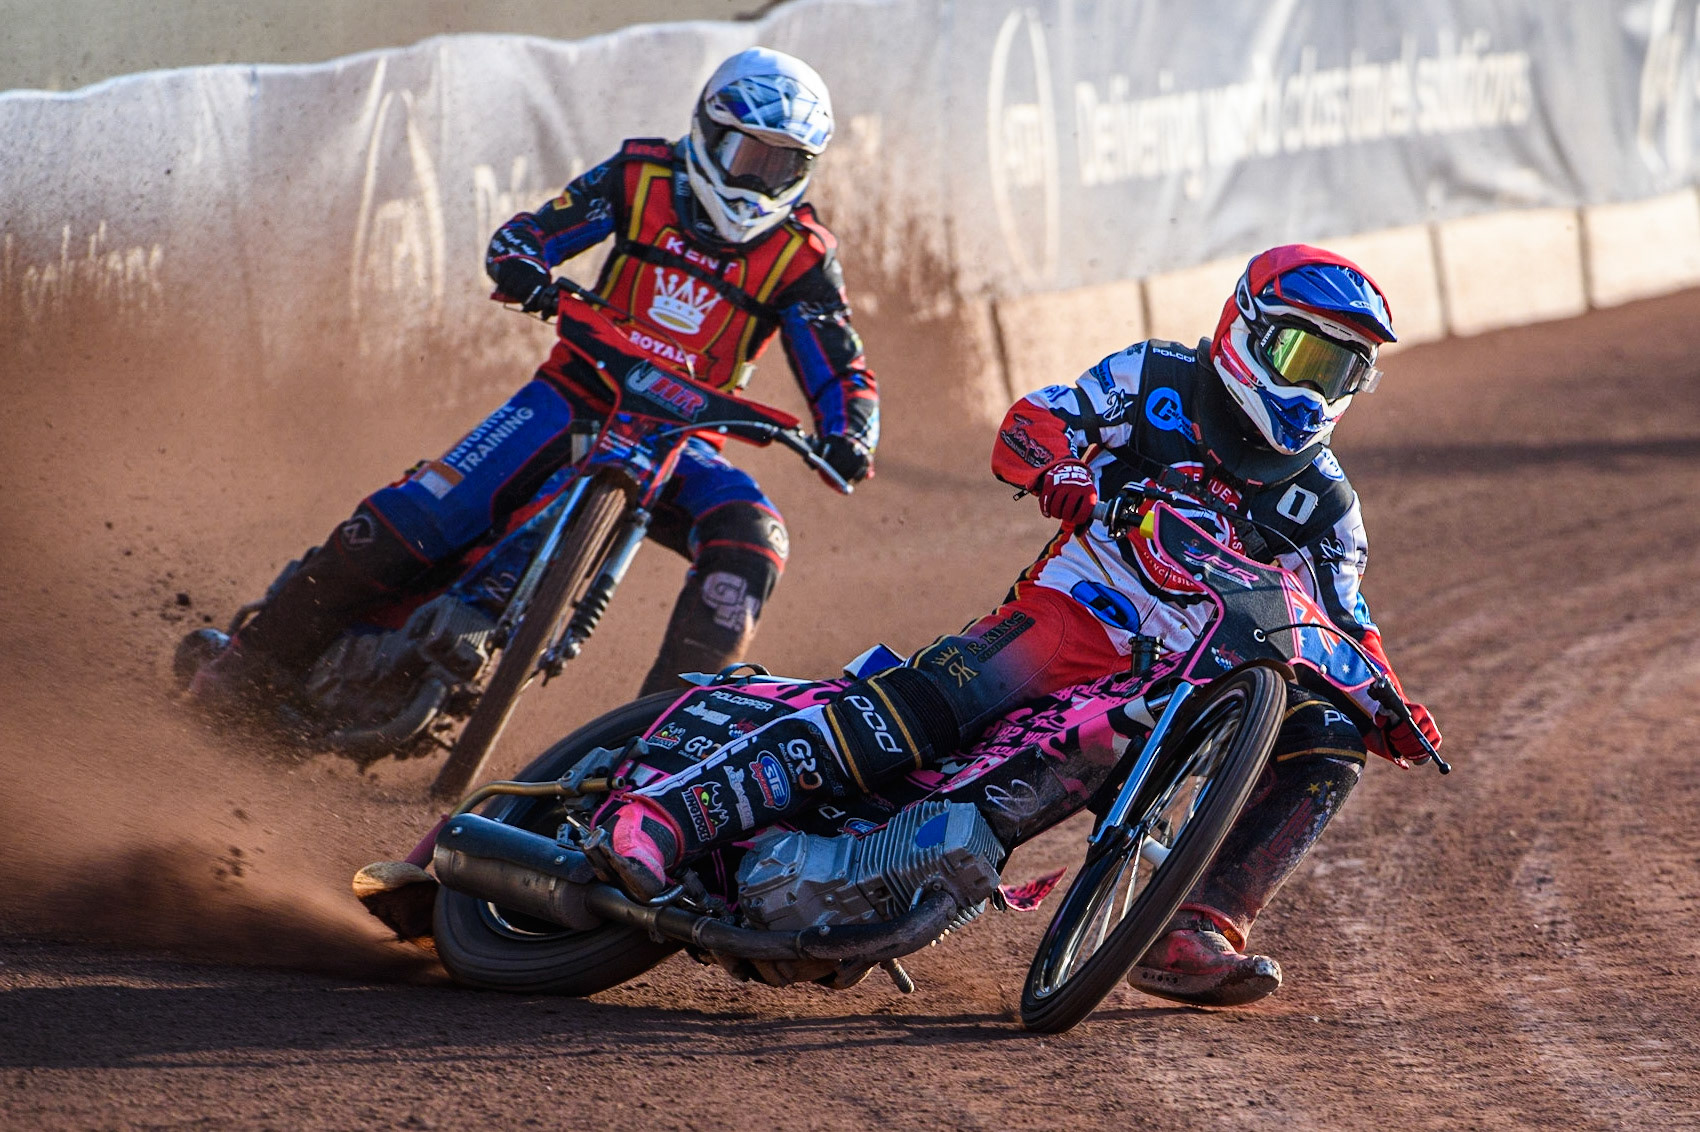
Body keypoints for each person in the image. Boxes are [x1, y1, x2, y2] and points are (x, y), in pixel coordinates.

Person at [587, 244, 1442, 1008]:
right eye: (1304, 354)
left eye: (1342, 372)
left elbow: (1345, 622)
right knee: (923, 709)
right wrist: (1064, 466)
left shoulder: (1329, 506)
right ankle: (670, 816)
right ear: (1248, 330)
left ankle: (1198, 923)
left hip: (1192, 683)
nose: (1314, 388)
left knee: (1329, 732)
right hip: (1076, 615)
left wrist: (1393, 705)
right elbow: (1033, 422)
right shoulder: (1157, 379)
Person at [192, 47, 877, 710]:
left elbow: (840, 362)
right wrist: (523, 262)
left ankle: (655, 760)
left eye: (784, 164)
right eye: (747, 155)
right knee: (412, 520)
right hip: (573, 395)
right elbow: (534, 232)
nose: (759, 179)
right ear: (707, 131)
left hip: (683, 439)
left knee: (756, 543)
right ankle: (243, 670)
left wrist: (852, 432)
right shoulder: (641, 177)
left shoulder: (801, 255)